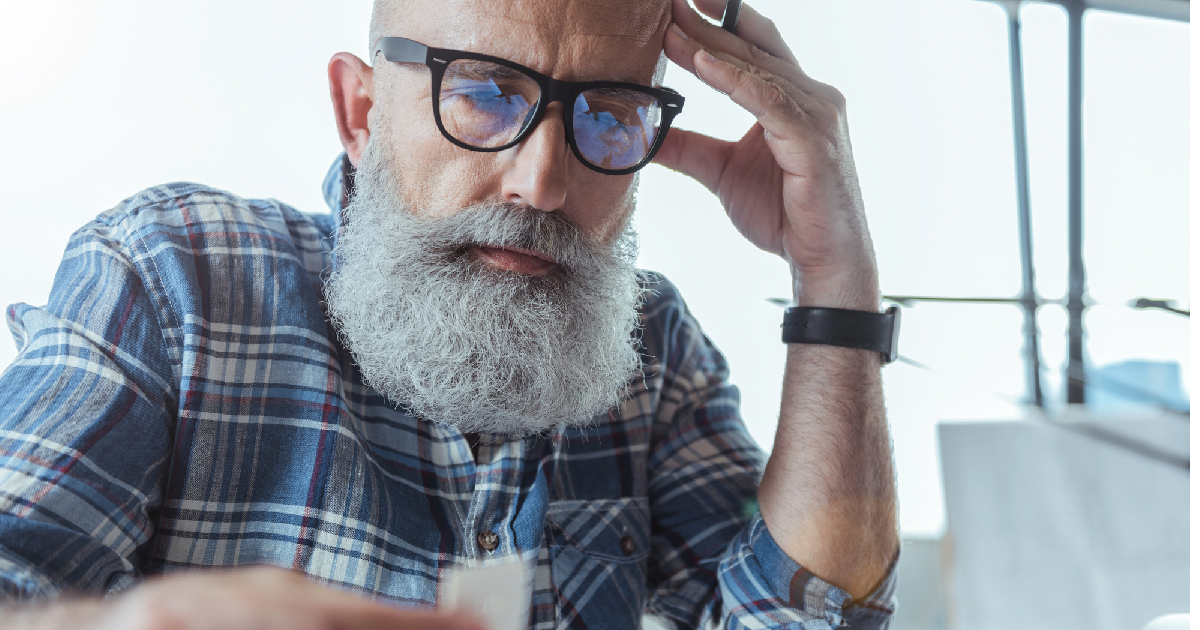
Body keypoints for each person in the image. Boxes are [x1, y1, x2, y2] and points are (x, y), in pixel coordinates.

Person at [0, 0, 900, 627]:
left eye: (609, 113)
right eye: (484, 93)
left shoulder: (653, 348)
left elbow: (803, 619)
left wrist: (834, 274)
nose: (543, 182)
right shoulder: (173, 276)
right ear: (359, 111)